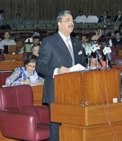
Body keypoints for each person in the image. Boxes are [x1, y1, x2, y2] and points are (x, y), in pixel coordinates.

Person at [36, 10, 85, 141]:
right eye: (67, 20)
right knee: (57, 130)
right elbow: (40, 66)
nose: (71, 23)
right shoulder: (49, 42)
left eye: (72, 20)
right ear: (59, 23)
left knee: (73, 127)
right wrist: (57, 70)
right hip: (56, 91)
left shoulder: (77, 43)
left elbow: (81, 64)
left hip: (75, 92)